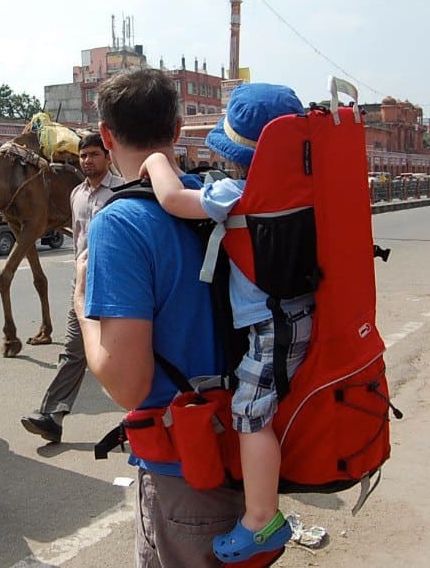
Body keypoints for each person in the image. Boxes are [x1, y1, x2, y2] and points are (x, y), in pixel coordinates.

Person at [75, 67, 242, 567]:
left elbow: (127, 385)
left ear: (106, 137)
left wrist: (84, 306)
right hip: (243, 444)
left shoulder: (119, 223)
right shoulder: (212, 201)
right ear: (175, 131)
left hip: (184, 473)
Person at [141, 82, 313, 562]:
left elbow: (174, 199)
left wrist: (157, 161)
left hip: (270, 325)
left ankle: (263, 520)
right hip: (296, 315)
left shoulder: (237, 192)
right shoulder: (304, 187)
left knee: (250, 415)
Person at [20, 132, 123, 442]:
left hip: (120, 284)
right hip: (84, 284)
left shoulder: (123, 191)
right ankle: (52, 415)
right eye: (83, 156)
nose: (87, 160)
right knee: (73, 351)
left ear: (108, 157)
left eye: (94, 154)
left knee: (131, 349)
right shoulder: (76, 194)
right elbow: (78, 239)